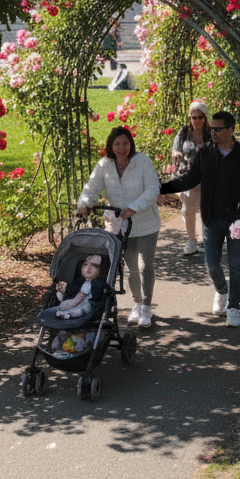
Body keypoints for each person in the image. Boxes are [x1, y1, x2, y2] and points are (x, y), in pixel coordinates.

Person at [160, 110, 240, 328]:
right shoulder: (206, 153)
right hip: (212, 218)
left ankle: (234, 306)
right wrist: (163, 188)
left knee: (236, 265)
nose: (212, 132)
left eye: (217, 129)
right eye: (211, 128)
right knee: (212, 263)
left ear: (230, 130)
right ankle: (222, 290)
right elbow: (189, 179)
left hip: (237, 221)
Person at [76, 126, 161, 328]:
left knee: (145, 266)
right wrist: (85, 204)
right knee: (131, 268)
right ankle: (137, 303)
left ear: (131, 144)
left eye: (125, 143)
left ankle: (147, 306)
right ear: (111, 146)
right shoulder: (104, 165)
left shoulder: (142, 161)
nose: (122, 148)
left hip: (146, 223)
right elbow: (92, 188)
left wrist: (133, 208)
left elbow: (152, 189)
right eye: (117, 144)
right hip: (119, 225)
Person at [170, 101, 213, 256]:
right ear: (190, 118)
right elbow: (175, 148)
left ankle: (206, 240)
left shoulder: (211, 133)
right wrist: (176, 153)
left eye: (200, 117)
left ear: (205, 117)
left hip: (208, 177)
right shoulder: (184, 132)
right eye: (194, 117)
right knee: (188, 210)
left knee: (206, 209)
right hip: (188, 176)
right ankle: (192, 240)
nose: (197, 120)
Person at [52, 254, 105, 319]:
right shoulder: (80, 282)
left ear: (101, 270)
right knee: (67, 303)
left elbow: (80, 297)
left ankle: (68, 313)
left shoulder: (93, 284)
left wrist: (71, 303)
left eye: (95, 266)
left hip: (88, 304)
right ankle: (66, 312)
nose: (88, 268)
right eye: (85, 264)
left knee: (81, 309)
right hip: (78, 302)